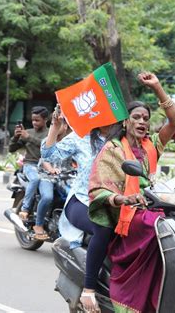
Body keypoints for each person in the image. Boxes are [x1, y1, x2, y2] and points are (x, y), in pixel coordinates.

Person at [88, 72, 175, 313]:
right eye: (136, 117)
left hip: (151, 206)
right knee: (158, 226)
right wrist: (125, 198)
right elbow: (99, 189)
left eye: (146, 119)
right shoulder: (113, 149)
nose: (142, 122)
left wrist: (158, 87)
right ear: (125, 122)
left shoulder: (152, 145)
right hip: (127, 212)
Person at [41, 108, 113, 313]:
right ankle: (89, 289)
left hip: (115, 203)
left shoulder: (122, 141)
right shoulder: (82, 138)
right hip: (82, 200)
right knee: (103, 227)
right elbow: (49, 154)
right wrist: (55, 128)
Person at [9, 106, 51, 240]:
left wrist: (29, 138)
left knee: (48, 197)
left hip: (46, 168)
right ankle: (25, 209)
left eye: (37, 120)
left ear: (45, 120)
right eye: (33, 120)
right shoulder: (28, 132)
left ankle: (40, 224)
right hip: (30, 165)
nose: (34, 123)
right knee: (35, 179)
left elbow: (47, 146)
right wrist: (16, 137)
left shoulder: (51, 133)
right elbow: (11, 149)